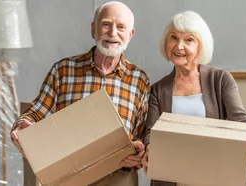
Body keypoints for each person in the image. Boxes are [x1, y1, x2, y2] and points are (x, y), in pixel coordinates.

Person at [9, 1, 149, 185]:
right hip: (69, 176)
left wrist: (139, 153)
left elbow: (141, 133)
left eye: (120, 27)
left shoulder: (139, 79)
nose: (113, 33)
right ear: (94, 29)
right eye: (106, 24)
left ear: (130, 35)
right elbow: (37, 112)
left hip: (118, 177)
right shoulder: (64, 70)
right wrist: (22, 126)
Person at [140, 11, 246, 186]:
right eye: (173, 38)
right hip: (169, 179)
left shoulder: (220, 79)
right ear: (166, 42)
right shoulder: (158, 89)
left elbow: (240, 118)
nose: (179, 46)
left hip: (211, 177)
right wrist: (149, 151)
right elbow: (151, 132)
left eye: (189, 40)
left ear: (200, 46)